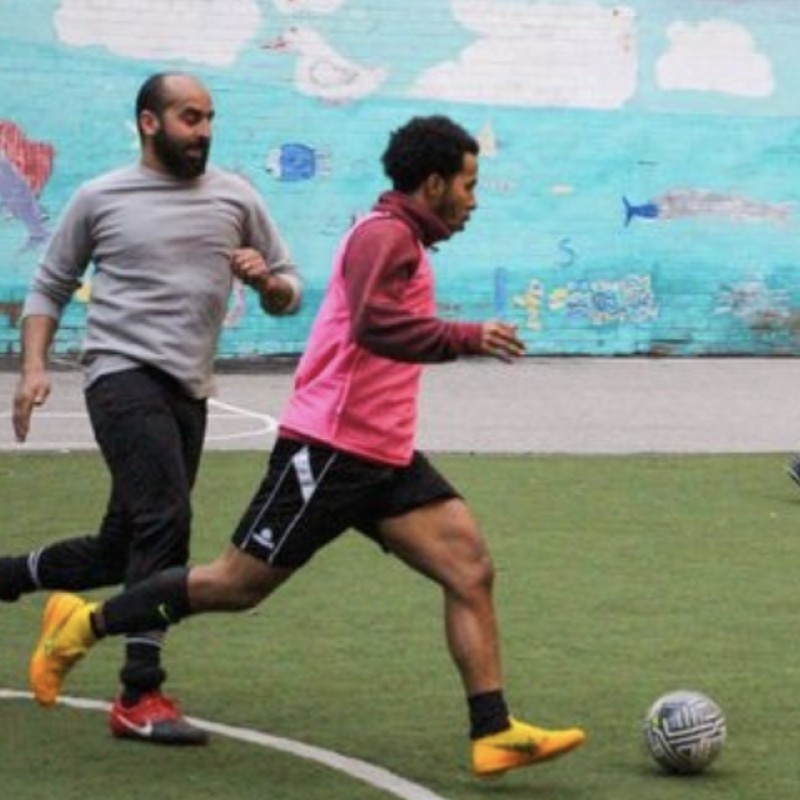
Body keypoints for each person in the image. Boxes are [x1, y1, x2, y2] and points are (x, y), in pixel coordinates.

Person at [27, 115, 585, 776]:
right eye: (468, 183)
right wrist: (466, 336)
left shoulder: (403, 238)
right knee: (236, 585)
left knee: (469, 567)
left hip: (384, 454)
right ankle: (82, 624)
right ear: (433, 183)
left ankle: (493, 730)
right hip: (329, 449)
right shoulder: (383, 238)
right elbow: (378, 326)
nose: (474, 197)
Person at [6, 72, 302, 746]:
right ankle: (139, 693)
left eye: (209, 118)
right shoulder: (99, 196)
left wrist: (265, 283)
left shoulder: (236, 196)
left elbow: (289, 291)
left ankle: (6, 578)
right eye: (189, 118)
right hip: (119, 375)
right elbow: (49, 286)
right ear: (149, 122)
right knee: (166, 520)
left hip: (189, 388)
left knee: (124, 548)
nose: (203, 131)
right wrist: (30, 371)